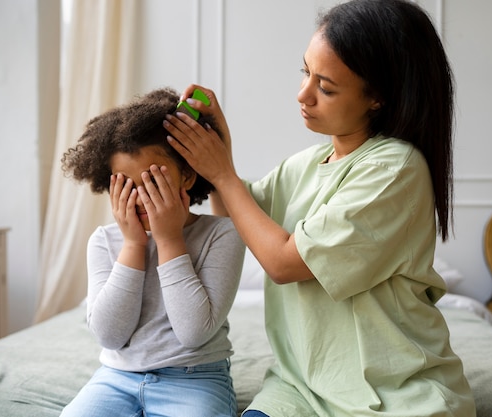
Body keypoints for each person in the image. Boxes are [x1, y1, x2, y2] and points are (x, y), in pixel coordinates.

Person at [163, 0, 476, 416]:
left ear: (377, 98)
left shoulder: (396, 169)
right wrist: (222, 146)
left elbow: (283, 263)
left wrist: (222, 173)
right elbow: (233, 219)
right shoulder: (305, 166)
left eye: (325, 87)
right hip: (300, 388)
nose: (303, 94)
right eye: (305, 73)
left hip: (396, 394)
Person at [59, 87, 245, 417]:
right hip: (117, 377)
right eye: (126, 185)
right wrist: (133, 245)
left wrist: (170, 239)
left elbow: (194, 332)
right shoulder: (103, 241)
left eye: (151, 182)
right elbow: (109, 336)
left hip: (196, 379)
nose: (140, 198)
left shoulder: (222, 234)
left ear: (186, 176)